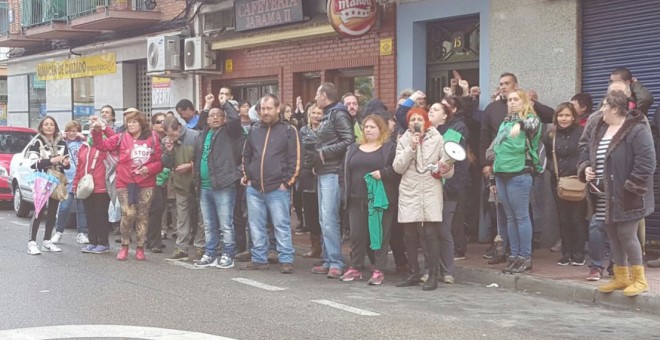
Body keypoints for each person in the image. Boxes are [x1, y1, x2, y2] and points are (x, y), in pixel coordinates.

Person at [578, 91, 654, 297]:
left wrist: (631, 188)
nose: (601, 110)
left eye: (604, 106)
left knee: (626, 234)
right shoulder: (599, 128)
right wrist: (586, 167)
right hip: (603, 194)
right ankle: (621, 276)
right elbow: (586, 152)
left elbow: (647, 162)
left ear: (614, 108)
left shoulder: (636, 129)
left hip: (628, 194)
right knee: (612, 234)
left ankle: (640, 279)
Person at [394, 105, 454, 291]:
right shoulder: (404, 140)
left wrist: (443, 168)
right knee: (410, 234)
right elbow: (398, 167)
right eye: (413, 120)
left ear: (426, 121)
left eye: (420, 119)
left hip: (429, 189)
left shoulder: (437, 138)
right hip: (409, 190)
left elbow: (448, 168)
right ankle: (413, 272)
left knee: (430, 234)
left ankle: (433, 275)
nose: (416, 122)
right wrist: (411, 146)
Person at [90, 109, 163, 261]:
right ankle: (124, 245)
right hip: (125, 181)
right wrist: (97, 131)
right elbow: (101, 145)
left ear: (141, 124)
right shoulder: (122, 137)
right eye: (128, 122)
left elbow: (160, 162)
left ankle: (140, 247)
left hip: (146, 181)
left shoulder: (153, 138)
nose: (130, 124)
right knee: (128, 213)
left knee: (142, 215)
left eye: (134, 122)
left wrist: (148, 169)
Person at [241, 94, 300, 274]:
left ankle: (286, 259)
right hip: (254, 187)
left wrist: (287, 183)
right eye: (263, 109)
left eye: (269, 108)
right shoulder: (254, 130)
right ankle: (259, 258)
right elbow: (246, 155)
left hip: (278, 187)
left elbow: (295, 159)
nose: (265, 112)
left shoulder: (289, 130)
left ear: (277, 109)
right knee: (256, 224)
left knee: (281, 224)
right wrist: (247, 176)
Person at [340, 114, 399, 285]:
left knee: (379, 235)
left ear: (381, 129)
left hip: (379, 199)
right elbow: (343, 170)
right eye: (366, 127)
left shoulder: (388, 148)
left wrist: (383, 173)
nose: (368, 130)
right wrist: (344, 192)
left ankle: (379, 269)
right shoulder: (353, 148)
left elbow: (396, 169)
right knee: (357, 235)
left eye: (372, 127)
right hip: (356, 198)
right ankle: (355, 267)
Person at [491, 90, 542, 274]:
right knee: (510, 218)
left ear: (524, 102)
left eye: (516, 99)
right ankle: (513, 255)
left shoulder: (531, 120)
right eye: (509, 100)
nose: (511, 102)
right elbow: (496, 150)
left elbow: (532, 124)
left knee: (521, 217)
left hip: (519, 173)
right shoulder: (505, 122)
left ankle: (525, 257)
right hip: (501, 173)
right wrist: (492, 177)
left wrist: (520, 123)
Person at [311, 82, 355, 278]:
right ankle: (329, 260)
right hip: (324, 171)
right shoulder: (329, 114)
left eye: (317, 94)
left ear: (324, 95)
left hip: (333, 171)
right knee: (324, 218)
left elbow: (349, 140)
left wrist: (324, 153)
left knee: (329, 218)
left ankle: (336, 261)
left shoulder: (338, 114)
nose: (315, 98)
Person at [193, 94, 243, 268]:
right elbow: (197, 124)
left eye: (218, 115)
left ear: (224, 119)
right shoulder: (203, 134)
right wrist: (206, 105)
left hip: (224, 184)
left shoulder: (230, 132)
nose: (214, 118)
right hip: (205, 186)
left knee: (225, 223)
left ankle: (228, 253)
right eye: (211, 116)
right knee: (209, 224)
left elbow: (236, 120)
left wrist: (224, 103)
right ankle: (210, 252)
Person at [430, 99, 469, 283]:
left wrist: (453, 186)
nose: (430, 112)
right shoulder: (424, 133)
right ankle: (430, 269)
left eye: (436, 109)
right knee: (429, 232)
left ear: (445, 116)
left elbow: (459, 164)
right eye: (429, 109)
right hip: (427, 189)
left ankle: (447, 271)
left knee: (444, 230)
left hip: (447, 189)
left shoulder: (455, 132)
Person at [543, 103, 586, 266]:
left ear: (573, 117)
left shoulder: (582, 133)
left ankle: (579, 253)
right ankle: (566, 253)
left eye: (567, 115)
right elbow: (544, 155)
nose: (564, 119)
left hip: (578, 180)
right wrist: (551, 168)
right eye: (561, 116)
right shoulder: (550, 135)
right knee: (563, 218)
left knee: (577, 218)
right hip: (559, 181)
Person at [161, 117, 204, 262]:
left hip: (197, 182)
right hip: (180, 183)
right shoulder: (167, 141)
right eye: (168, 135)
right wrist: (168, 152)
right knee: (182, 216)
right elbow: (167, 164)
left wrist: (190, 165)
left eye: (173, 135)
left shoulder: (195, 136)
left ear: (179, 127)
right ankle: (181, 247)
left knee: (201, 217)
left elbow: (202, 159)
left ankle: (200, 247)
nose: (171, 138)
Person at [26, 116, 70, 255]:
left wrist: (65, 163)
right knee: (39, 210)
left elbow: (66, 163)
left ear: (55, 126)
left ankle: (47, 241)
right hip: (42, 178)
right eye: (46, 124)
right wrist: (52, 160)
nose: (49, 127)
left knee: (52, 211)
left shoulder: (62, 143)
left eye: (52, 124)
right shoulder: (37, 141)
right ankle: (32, 242)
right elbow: (33, 163)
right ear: (42, 127)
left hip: (57, 179)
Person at [73, 127, 112, 254]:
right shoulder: (84, 147)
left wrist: (104, 128)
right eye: (92, 131)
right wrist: (75, 185)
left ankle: (103, 243)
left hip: (101, 187)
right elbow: (79, 167)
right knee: (90, 216)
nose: (93, 134)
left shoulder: (105, 147)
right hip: (86, 187)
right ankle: (93, 241)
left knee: (100, 215)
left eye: (96, 131)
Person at [51, 120, 89, 245]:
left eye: (75, 131)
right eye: (70, 131)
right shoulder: (62, 144)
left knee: (81, 208)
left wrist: (82, 137)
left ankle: (82, 233)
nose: (73, 133)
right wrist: (61, 137)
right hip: (67, 180)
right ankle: (58, 232)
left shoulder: (83, 144)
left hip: (81, 179)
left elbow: (91, 143)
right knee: (64, 207)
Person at [299, 104, 323, 258]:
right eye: (313, 112)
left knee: (324, 211)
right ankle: (315, 246)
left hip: (322, 171)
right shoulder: (303, 131)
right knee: (310, 211)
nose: (316, 115)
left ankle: (326, 245)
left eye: (319, 112)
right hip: (307, 173)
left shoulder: (326, 130)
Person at [146, 112, 168, 253]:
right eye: (159, 122)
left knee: (159, 210)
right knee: (155, 209)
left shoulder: (168, 139)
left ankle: (154, 240)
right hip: (153, 179)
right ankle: (153, 241)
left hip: (164, 179)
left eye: (164, 121)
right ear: (153, 125)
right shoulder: (151, 139)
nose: (162, 124)